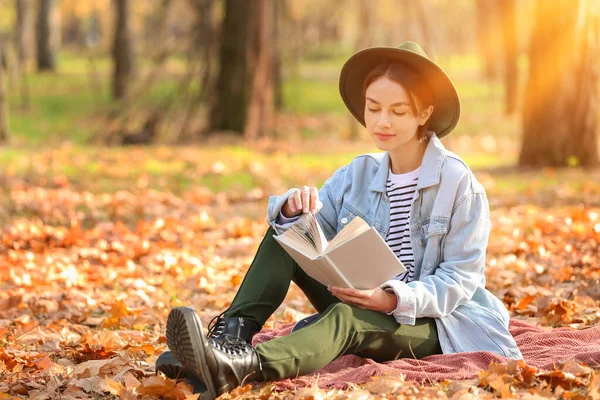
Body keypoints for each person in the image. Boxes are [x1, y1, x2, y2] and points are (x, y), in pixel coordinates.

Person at [157, 41, 523, 399]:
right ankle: (228, 341)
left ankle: (241, 367)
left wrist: (390, 299)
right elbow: (310, 232)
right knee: (285, 235)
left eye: (398, 111)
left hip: (433, 321)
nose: (382, 121)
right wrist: (292, 209)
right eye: (374, 107)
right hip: (361, 293)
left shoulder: (459, 184)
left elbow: (460, 279)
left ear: (424, 113)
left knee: (346, 318)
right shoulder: (357, 173)